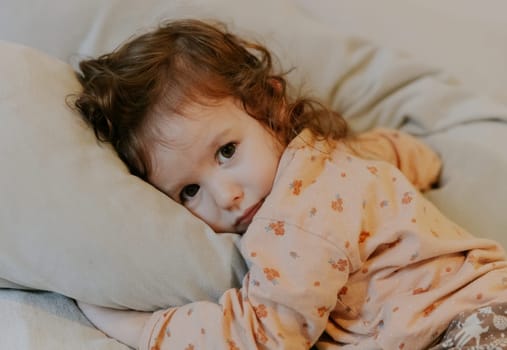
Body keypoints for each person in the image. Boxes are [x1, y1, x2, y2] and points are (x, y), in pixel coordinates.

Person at [73, 19, 507, 350]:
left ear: (271, 106)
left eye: (226, 151)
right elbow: (398, 153)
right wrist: (425, 163)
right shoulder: (334, 155)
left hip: (466, 330)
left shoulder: (295, 216)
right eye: (189, 191)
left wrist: (142, 328)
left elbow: (267, 334)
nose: (226, 196)